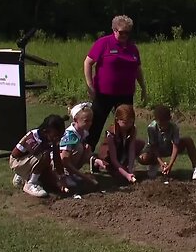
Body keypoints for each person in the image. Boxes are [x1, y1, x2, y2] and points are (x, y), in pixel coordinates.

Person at [84, 15, 147, 152]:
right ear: (114, 30)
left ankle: (120, 155)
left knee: (125, 124)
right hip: (103, 93)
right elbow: (88, 62)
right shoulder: (104, 43)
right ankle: (87, 153)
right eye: (121, 32)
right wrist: (90, 85)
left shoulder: (133, 48)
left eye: (127, 32)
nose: (124, 35)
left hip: (125, 94)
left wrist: (143, 87)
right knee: (95, 124)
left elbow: (137, 69)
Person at [10, 114, 69, 198]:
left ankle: (25, 176)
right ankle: (30, 183)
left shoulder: (53, 139)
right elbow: (15, 154)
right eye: (56, 135)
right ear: (46, 131)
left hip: (32, 162)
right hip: (17, 162)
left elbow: (57, 159)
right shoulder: (33, 136)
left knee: (50, 181)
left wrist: (62, 177)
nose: (58, 138)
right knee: (45, 154)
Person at [138, 105, 196, 180]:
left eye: (165, 124)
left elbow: (175, 146)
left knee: (188, 140)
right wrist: (161, 162)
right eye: (160, 125)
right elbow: (153, 147)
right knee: (142, 158)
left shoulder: (174, 127)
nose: (163, 127)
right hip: (155, 149)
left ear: (169, 119)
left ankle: (195, 168)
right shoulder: (151, 128)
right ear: (156, 120)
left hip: (168, 146)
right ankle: (154, 163)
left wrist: (170, 165)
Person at [59, 102, 106, 188]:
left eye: (91, 120)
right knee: (80, 147)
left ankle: (73, 173)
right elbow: (64, 159)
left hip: (69, 162)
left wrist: (96, 160)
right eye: (86, 121)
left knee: (87, 148)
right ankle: (66, 175)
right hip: (59, 164)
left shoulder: (83, 132)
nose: (90, 123)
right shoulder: (70, 135)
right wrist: (84, 177)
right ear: (76, 120)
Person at [96, 104, 145, 183]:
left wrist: (130, 169)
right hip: (110, 154)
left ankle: (124, 167)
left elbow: (131, 150)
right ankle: (97, 161)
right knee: (118, 175)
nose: (128, 125)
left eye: (130, 122)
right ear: (117, 120)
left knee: (139, 144)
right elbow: (113, 159)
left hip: (122, 149)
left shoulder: (132, 129)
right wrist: (126, 175)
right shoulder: (111, 134)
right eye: (125, 122)